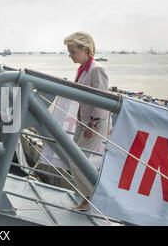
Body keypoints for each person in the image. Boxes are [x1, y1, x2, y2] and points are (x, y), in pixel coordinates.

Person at [64, 31, 110, 211]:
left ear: (85, 49)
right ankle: (88, 197)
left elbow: (102, 99)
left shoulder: (97, 70)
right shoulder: (82, 68)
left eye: (73, 51)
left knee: (77, 162)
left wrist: (92, 122)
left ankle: (92, 198)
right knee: (72, 159)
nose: (70, 55)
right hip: (83, 121)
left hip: (95, 123)